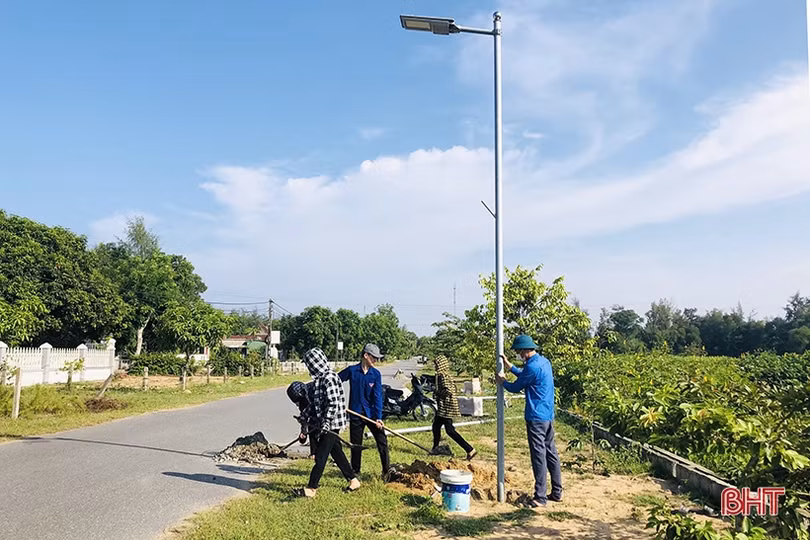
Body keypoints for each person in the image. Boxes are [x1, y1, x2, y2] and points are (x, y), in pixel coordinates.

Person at [496, 334, 563, 508]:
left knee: (538, 456)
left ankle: (540, 497)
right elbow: (526, 375)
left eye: (519, 352)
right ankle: (557, 492)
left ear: (525, 350)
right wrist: (510, 366)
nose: (518, 354)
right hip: (547, 416)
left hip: (536, 417)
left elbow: (516, 386)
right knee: (551, 453)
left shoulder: (532, 367)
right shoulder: (544, 362)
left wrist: (502, 381)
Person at [298, 347, 360, 498]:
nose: (308, 368)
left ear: (315, 364)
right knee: (337, 452)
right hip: (326, 423)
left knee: (321, 456)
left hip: (332, 423)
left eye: (309, 364)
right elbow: (316, 404)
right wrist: (305, 415)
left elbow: (333, 403)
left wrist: (326, 423)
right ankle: (353, 480)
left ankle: (311, 488)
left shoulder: (329, 378)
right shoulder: (319, 380)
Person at [338, 343, 391, 479]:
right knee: (356, 445)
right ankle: (355, 472)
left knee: (382, 441)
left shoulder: (376, 374)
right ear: (366, 355)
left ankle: (386, 471)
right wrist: (338, 400)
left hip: (371, 415)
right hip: (355, 413)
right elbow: (336, 381)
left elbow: (377, 396)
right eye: (374, 357)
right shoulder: (352, 371)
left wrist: (378, 417)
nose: (376, 360)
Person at [431, 355, 477, 459]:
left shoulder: (442, 376)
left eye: (436, 364)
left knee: (450, 430)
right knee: (436, 426)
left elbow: (448, 391)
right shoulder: (444, 375)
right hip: (444, 407)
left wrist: (437, 393)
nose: (435, 366)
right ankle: (435, 448)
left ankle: (470, 449)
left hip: (446, 407)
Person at [286, 380, 318, 458]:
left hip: (324, 410)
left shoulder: (314, 389)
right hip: (313, 414)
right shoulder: (302, 401)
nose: (297, 404)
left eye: (297, 402)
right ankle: (314, 453)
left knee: (326, 433)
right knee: (312, 426)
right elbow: (304, 417)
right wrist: (303, 432)